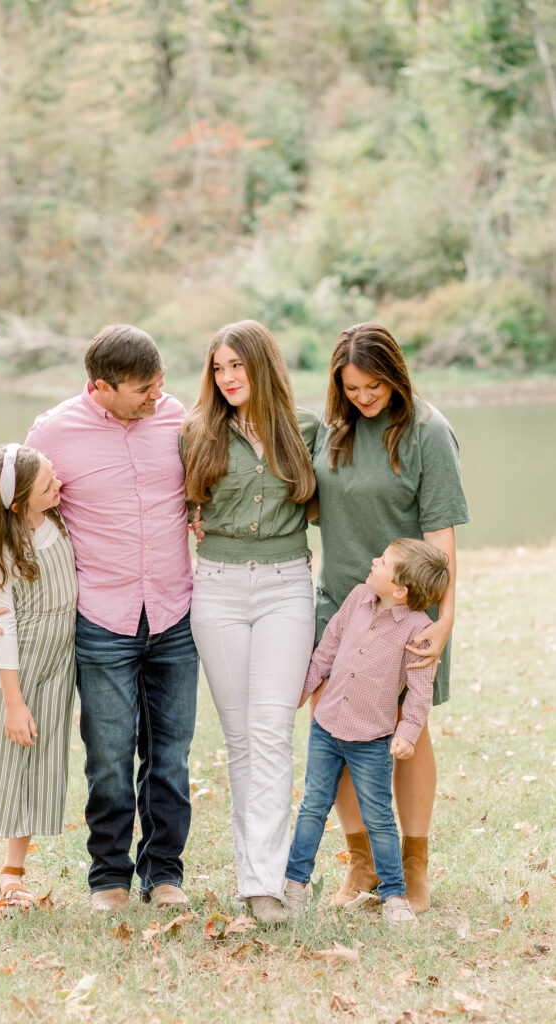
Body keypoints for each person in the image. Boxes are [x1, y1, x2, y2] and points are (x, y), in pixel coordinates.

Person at [0, 325, 199, 914]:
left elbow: (205, 484)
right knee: (109, 761)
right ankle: (109, 879)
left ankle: (165, 873)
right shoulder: (52, 432)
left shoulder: (177, 418)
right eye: (143, 389)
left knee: (170, 758)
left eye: (159, 383)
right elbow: (2, 509)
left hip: (174, 613)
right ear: (100, 386)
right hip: (102, 620)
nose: (157, 396)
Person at [311, 322, 470, 912]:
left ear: (395, 375)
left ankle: (413, 863)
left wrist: (443, 619)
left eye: (374, 385)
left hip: (408, 612)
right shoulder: (333, 434)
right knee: (336, 729)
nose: (364, 397)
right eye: (352, 388)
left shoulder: (428, 432)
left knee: (408, 730)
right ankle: (363, 864)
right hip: (338, 608)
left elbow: (443, 540)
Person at [180, 319, 318, 924]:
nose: (228, 378)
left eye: (237, 366)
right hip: (217, 588)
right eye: (218, 368)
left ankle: (268, 878)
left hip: (288, 585)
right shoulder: (197, 431)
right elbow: (175, 501)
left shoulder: (306, 430)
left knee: (272, 732)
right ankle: (256, 879)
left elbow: (327, 499)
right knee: (240, 738)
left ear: (261, 366)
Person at [284, 538, 450, 927]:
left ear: (400, 590)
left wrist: (407, 733)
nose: (373, 561)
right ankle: (294, 886)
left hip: (372, 740)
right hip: (326, 729)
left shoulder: (418, 629)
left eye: (383, 562)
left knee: (379, 817)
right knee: (312, 806)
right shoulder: (358, 598)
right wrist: (304, 688)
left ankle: (394, 895)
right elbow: (327, 649)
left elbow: (420, 691)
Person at [0, 444, 77, 921]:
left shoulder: (58, 523)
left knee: (37, 767)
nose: (59, 487)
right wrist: (14, 702)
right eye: (49, 485)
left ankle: (13, 874)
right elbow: (5, 635)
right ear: (16, 504)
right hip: (20, 670)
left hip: (58, 668)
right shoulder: (4, 551)